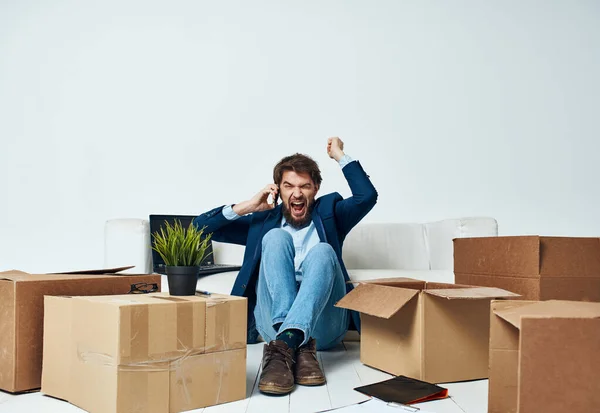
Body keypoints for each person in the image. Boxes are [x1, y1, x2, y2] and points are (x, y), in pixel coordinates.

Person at [193, 137, 377, 395]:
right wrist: (248, 206)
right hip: (272, 323)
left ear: (316, 189)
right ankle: (293, 343)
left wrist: (339, 155)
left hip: (324, 325)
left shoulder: (331, 214)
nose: (297, 193)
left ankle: (283, 348)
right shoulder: (263, 221)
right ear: (278, 189)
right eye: (289, 186)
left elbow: (366, 196)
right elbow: (197, 228)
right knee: (276, 238)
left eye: (305, 186)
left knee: (323, 251)